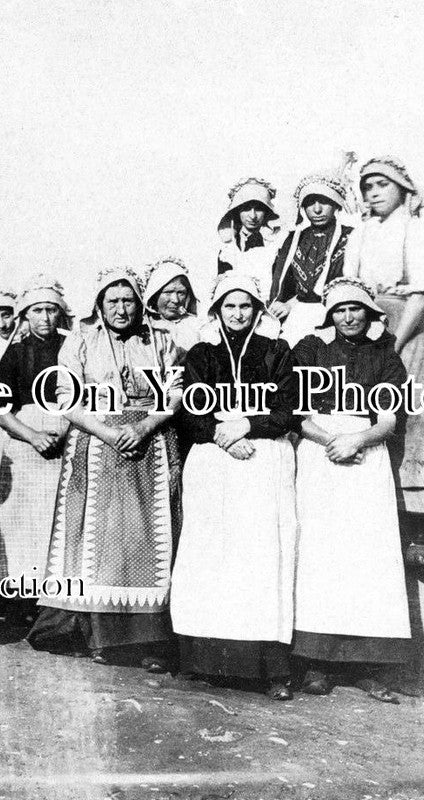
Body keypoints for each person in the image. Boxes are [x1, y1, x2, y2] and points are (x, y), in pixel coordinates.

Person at [27, 266, 183, 670]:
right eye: (112, 300)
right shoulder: (80, 341)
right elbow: (66, 397)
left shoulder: (161, 341)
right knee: (97, 541)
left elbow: (177, 392)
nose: (121, 308)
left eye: (128, 300)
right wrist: (109, 433)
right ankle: (98, 635)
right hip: (95, 444)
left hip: (148, 445)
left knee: (144, 540)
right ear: (99, 304)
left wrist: (145, 425)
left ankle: (149, 640)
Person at [344, 156, 424, 695]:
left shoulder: (416, 230)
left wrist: (389, 342)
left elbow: (420, 292)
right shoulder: (362, 232)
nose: (372, 193)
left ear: (403, 189)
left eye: (381, 184)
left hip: (403, 334)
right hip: (366, 327)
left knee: (405, 424)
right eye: (366, 185)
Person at [171, 273, 300, 699]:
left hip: (263, 459)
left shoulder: (277, 352)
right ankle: (205, 661)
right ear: (216, 311)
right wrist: (221, 437)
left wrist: (247, 424)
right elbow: (189, 412)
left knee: (261, 558)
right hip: (214, 461)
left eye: (246, 306)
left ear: (258, 309)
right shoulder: (201, 355)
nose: (238, 313)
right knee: (213, 555)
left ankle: (270, 670)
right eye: (230, 306)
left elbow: (287, 409)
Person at [291, 278, 411, 704]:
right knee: (321, 553)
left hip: (367, 454)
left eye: (356, 310)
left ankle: (366, 668)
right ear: (330, 315)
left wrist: (357, 439)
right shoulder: (309, 349)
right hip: (320, 450)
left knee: (365, 556)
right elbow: (296, 414)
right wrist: (331, 441)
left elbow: (389, 419)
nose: (348, 317)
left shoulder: (385, 355)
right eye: (339, 310)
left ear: (369, 312)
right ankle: (316, 664)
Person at [0, 275, 71, 625]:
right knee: (22, 523)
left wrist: (65, 430)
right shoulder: (14, 354)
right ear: (26, 314)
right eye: (37, 310)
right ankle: (19, 605)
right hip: (24, 445)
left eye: (52, 310)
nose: (45, 318)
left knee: (57, 520)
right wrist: (33, 435)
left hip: (67, 435)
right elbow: (0, 410)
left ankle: (53, 605)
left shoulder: (72, 348)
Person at [268, 174, 356, 345]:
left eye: (324, 201)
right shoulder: (294, 239)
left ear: (336, 203)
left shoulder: (351, 237)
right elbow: (284, 286)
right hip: (296, 317)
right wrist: (286, 305)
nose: (317, 210)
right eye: (310, 203)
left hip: (338, 316)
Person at [216, 177, 279, 289]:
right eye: (246, 209)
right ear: (237, 211)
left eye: (258, 209)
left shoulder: (276, 244)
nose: (253, 216)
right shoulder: (228, 247)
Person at [141, 257, 204, 352]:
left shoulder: (197, 326)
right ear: (154, 294)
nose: (175, 300)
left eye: (181, 293)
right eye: (168, 292)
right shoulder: (144, 326)